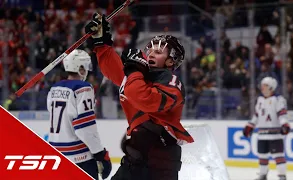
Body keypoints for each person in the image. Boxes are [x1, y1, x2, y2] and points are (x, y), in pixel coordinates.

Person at [85, 13, 194, 180]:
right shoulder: (139, 77)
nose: (150, 54)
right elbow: (114, 69)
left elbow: (144, 99)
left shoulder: (171, 82)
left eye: (158, 52)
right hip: (136, 160)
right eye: (149, 50)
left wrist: (134, 70)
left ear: (171, 61)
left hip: (158, 165)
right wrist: (102, 44)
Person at [46, 49, 111, 180]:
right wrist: (99, 152)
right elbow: (84, 127)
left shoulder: (54, 88)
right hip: (79, 158)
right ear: (80, 68)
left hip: (56, 155)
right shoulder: (83, 88)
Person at [243, 77, 290, 180]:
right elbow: (256, 115)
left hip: (275, 135)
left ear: (271, 87)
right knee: (262, 155)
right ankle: (263, 175)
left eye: (265, 85)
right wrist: (250, 126)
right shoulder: (260, 100)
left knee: (278, 155)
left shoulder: (278, 99)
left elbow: (282, 114)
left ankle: (282, 176)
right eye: (262, 85)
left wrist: (284, 124)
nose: (262, 88)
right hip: (262, 135)